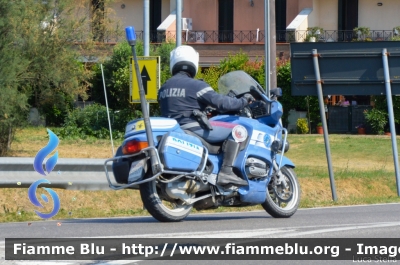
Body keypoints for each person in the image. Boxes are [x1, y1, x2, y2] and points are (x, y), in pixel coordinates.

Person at [158, 45, 254, 187]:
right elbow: (223, 103)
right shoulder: (196, 85)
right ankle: (226, 172)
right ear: (193, 62)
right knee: (239, 129)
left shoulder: (163, 88)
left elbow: (182, 104)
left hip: (173, 129)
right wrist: (243, 101)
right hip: (192, 127)